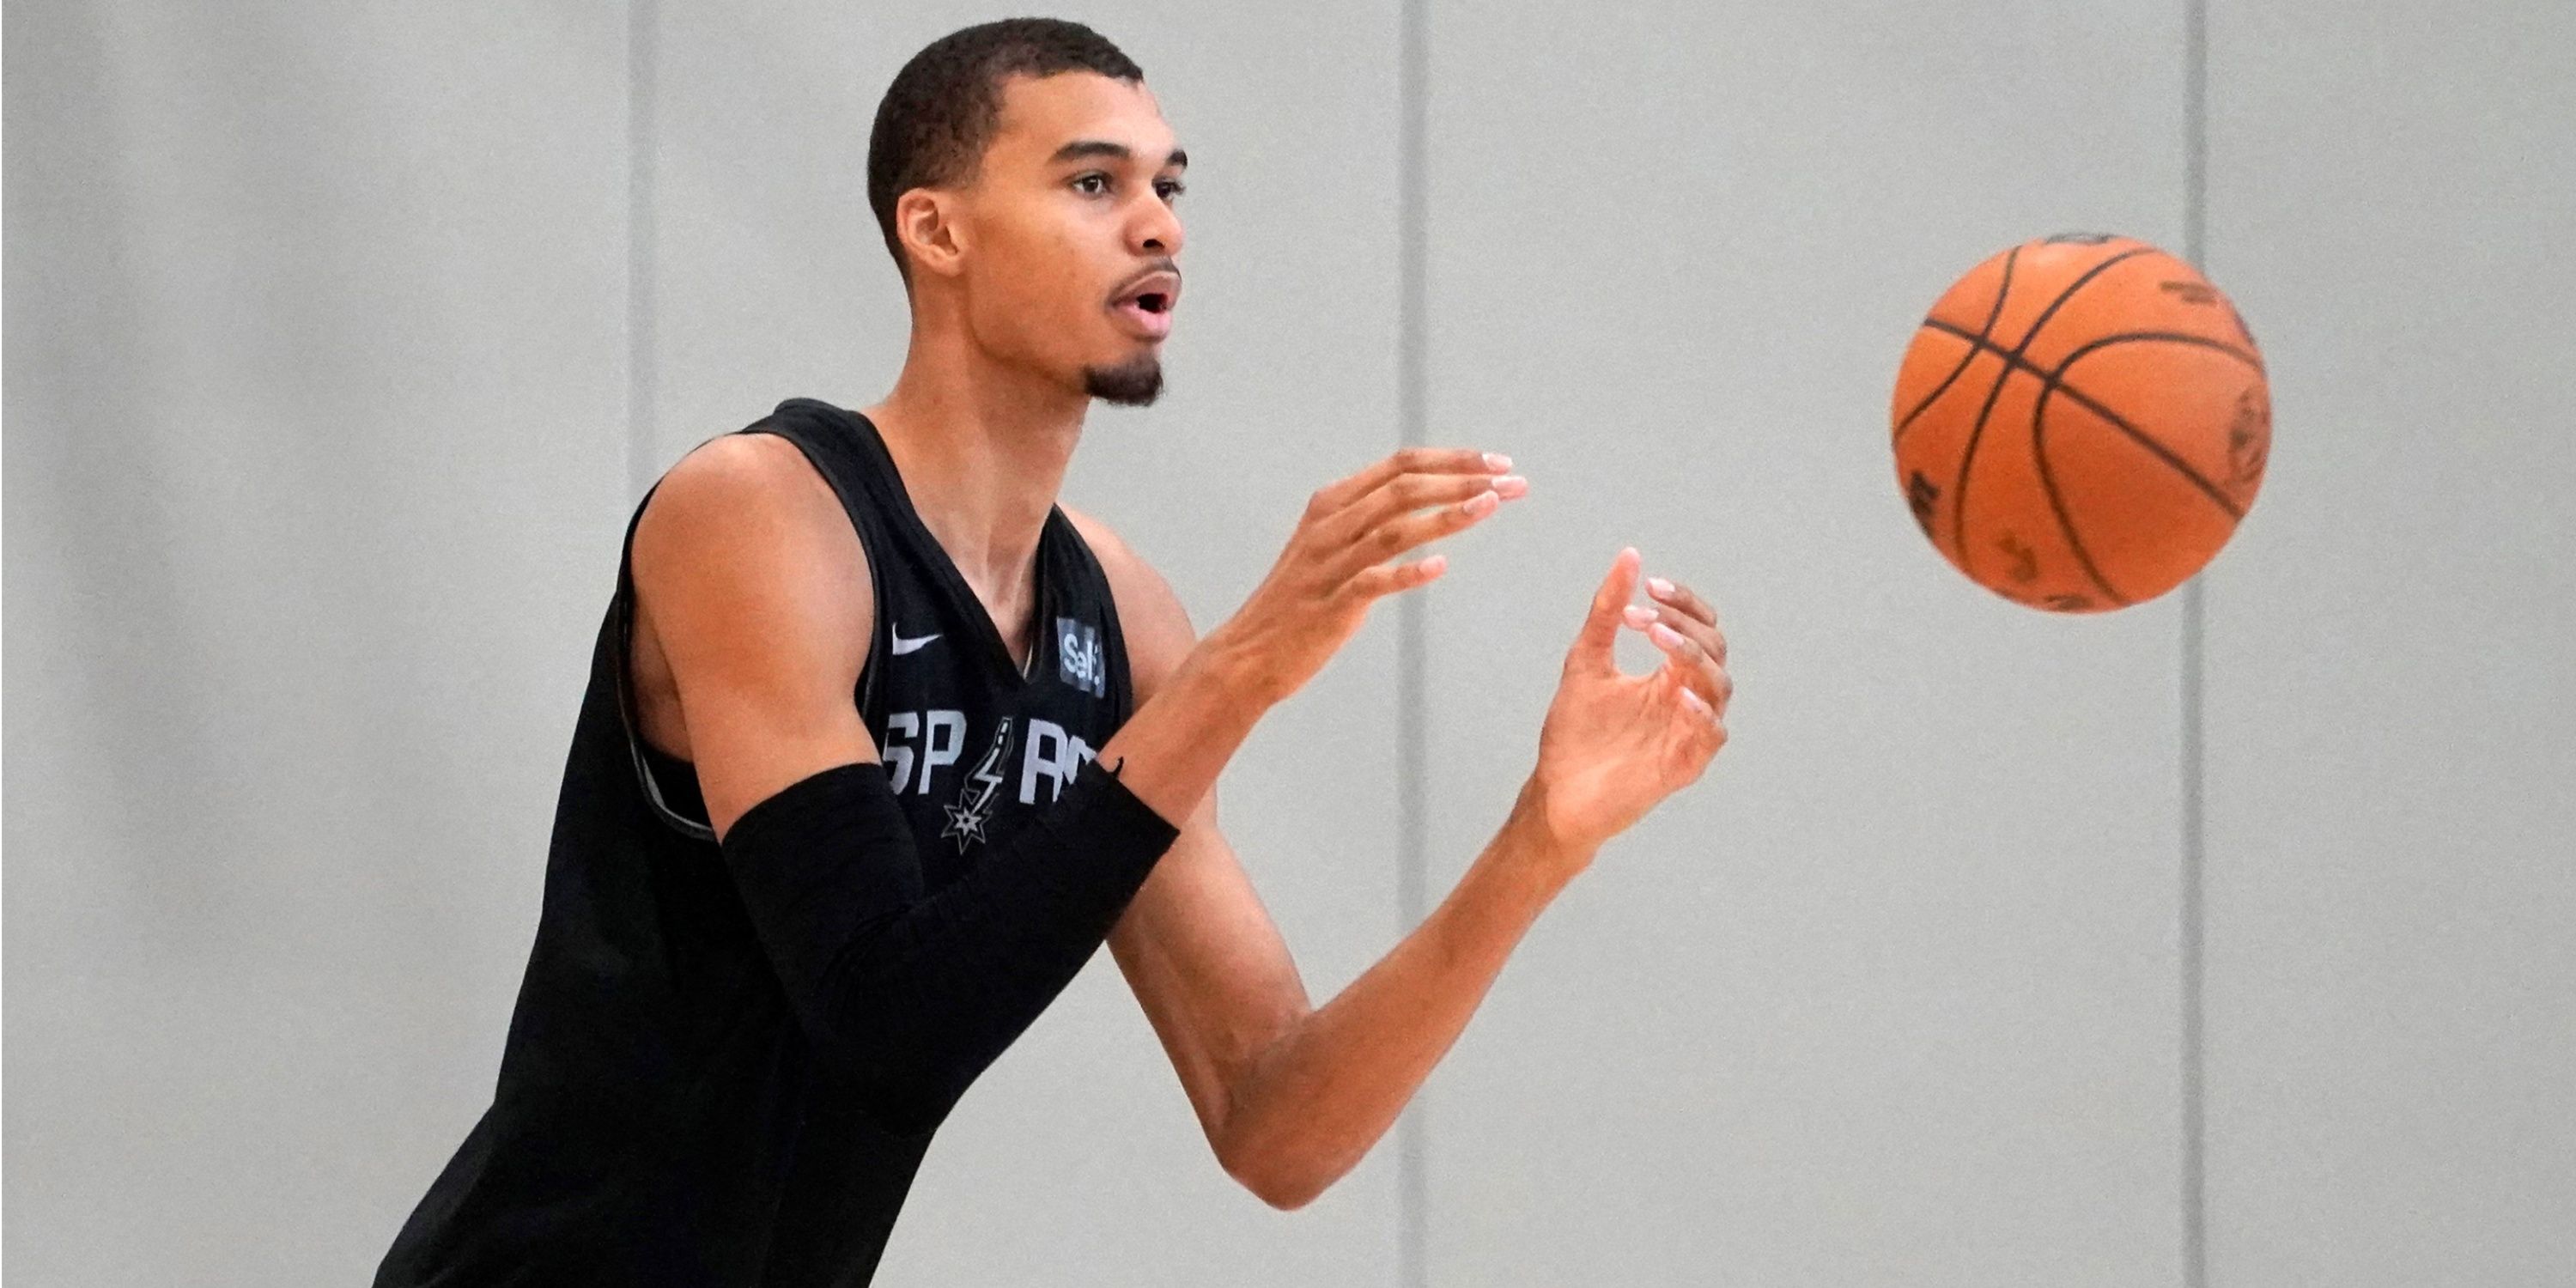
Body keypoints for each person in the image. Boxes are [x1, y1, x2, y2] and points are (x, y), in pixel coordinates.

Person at [374, 17, 1730, 1287]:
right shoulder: (763, 514)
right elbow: (885, 1026)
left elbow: (1277, 1124)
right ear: (937, 228)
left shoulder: (1122, 618)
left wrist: (1541, 841)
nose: (1158, 224)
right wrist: (1243, 671)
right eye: (1092, 184)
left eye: (1169, 185)